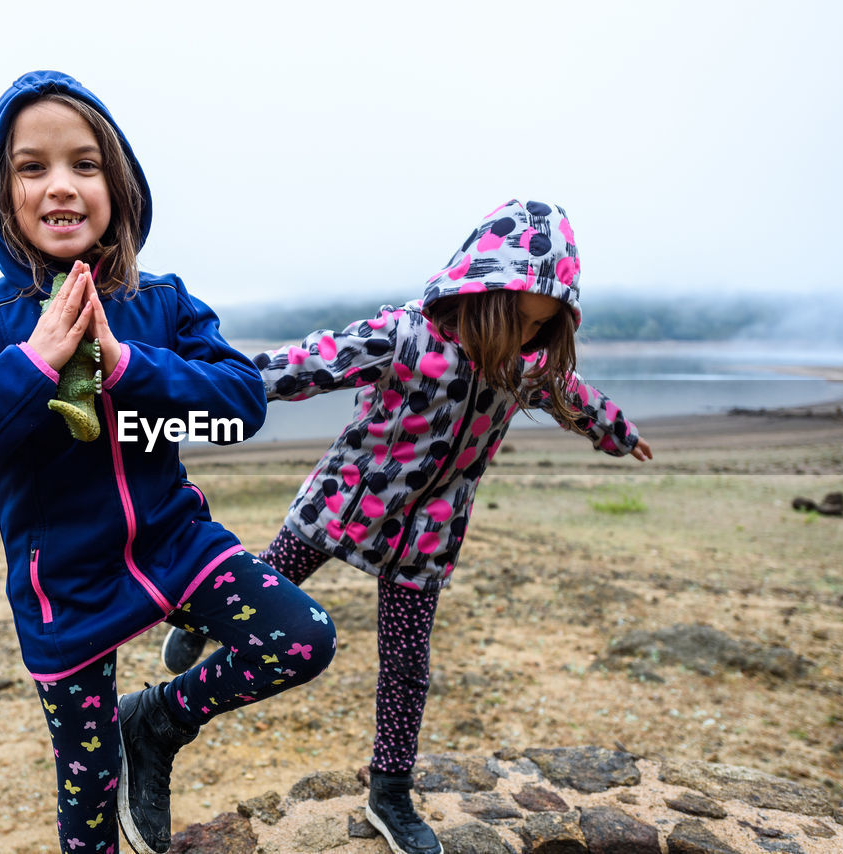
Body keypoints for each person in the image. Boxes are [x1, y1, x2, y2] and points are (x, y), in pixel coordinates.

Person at [0, 70, 337, 854]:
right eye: (32, 167)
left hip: (175, 543)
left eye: (84, 164)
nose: (60, 185)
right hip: (63, 587)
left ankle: (155, 722)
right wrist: (29, 366)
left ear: (118, 185)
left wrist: (129, 365)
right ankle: (112, 764)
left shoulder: (161, 300)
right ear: (3, 195)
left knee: (302, 637)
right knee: (88, 815)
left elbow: (241, 405)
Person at [160, 199, 652, 854]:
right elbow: (304, 364)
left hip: (427, 534)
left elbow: (573, 395)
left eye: (540, 331)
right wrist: (202, 389)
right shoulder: (402, 337)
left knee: (406, 665)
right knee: (260, 587)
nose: (527, 343)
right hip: (341, 503)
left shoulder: (524, 367)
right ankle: (196, 623)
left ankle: (390, 790)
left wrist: (620, 434)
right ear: (481, 295)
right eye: (520, 324)